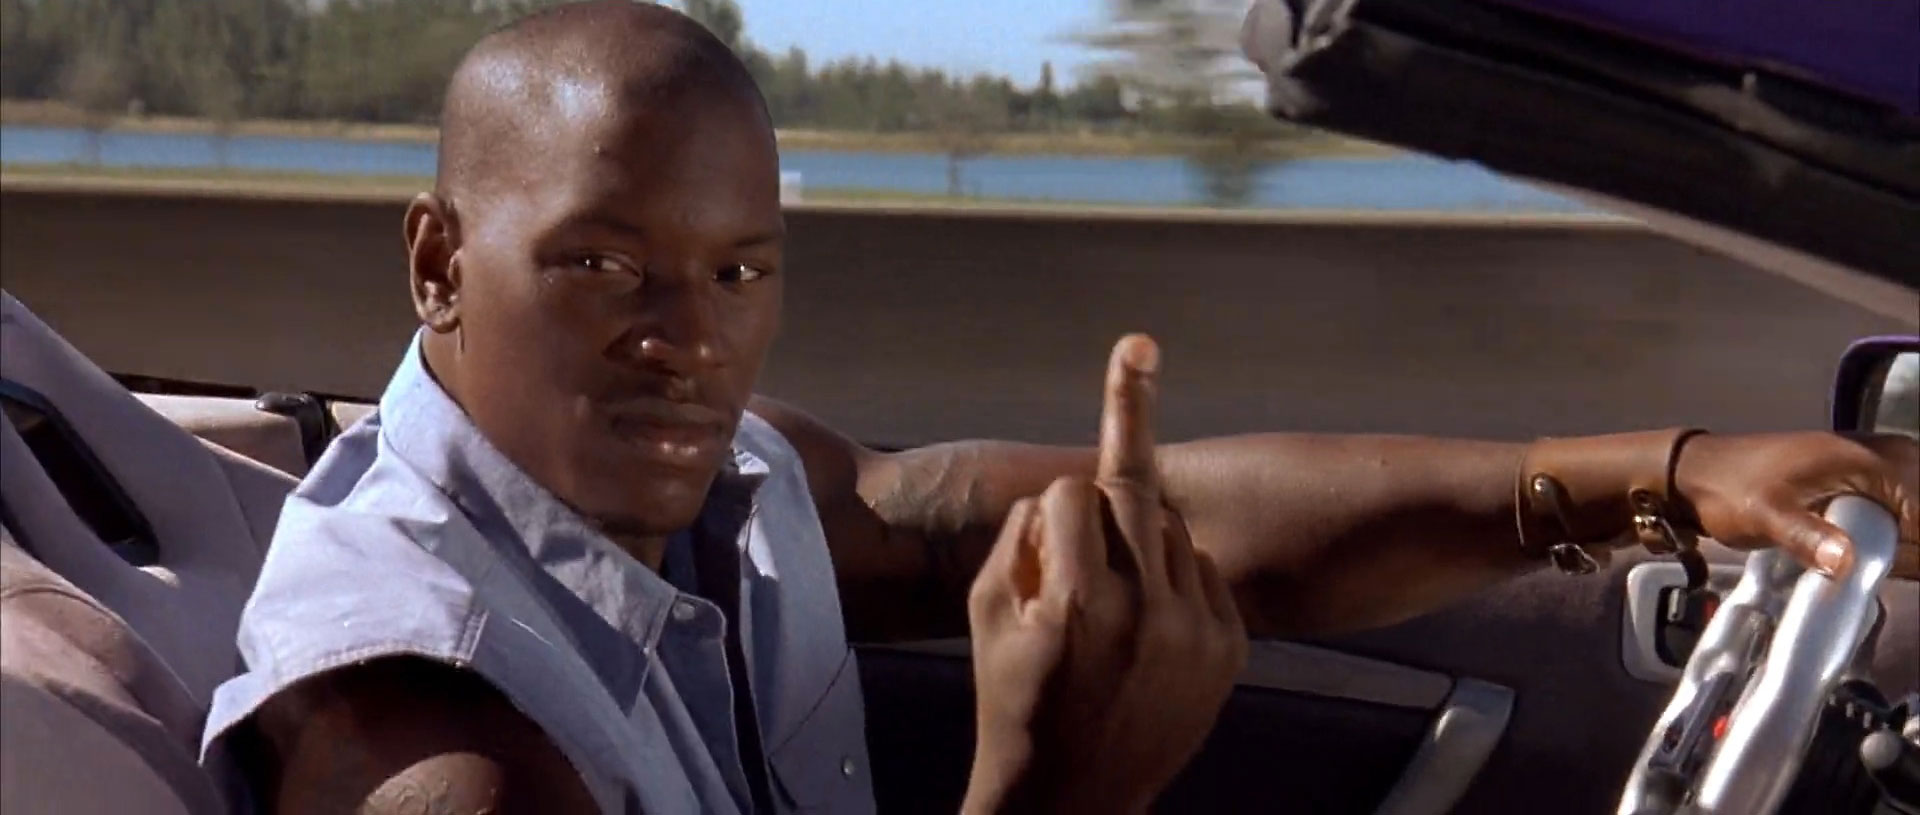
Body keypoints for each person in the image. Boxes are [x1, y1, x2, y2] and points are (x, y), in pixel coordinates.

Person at [200, 2, 1920, 813]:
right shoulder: (435, 754)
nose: (688, 341)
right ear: (439, 262)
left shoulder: (722, 491)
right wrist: (1056, 788)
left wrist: (1655, 478)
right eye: (601, 266)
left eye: (739, 270)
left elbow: (1118, 524)